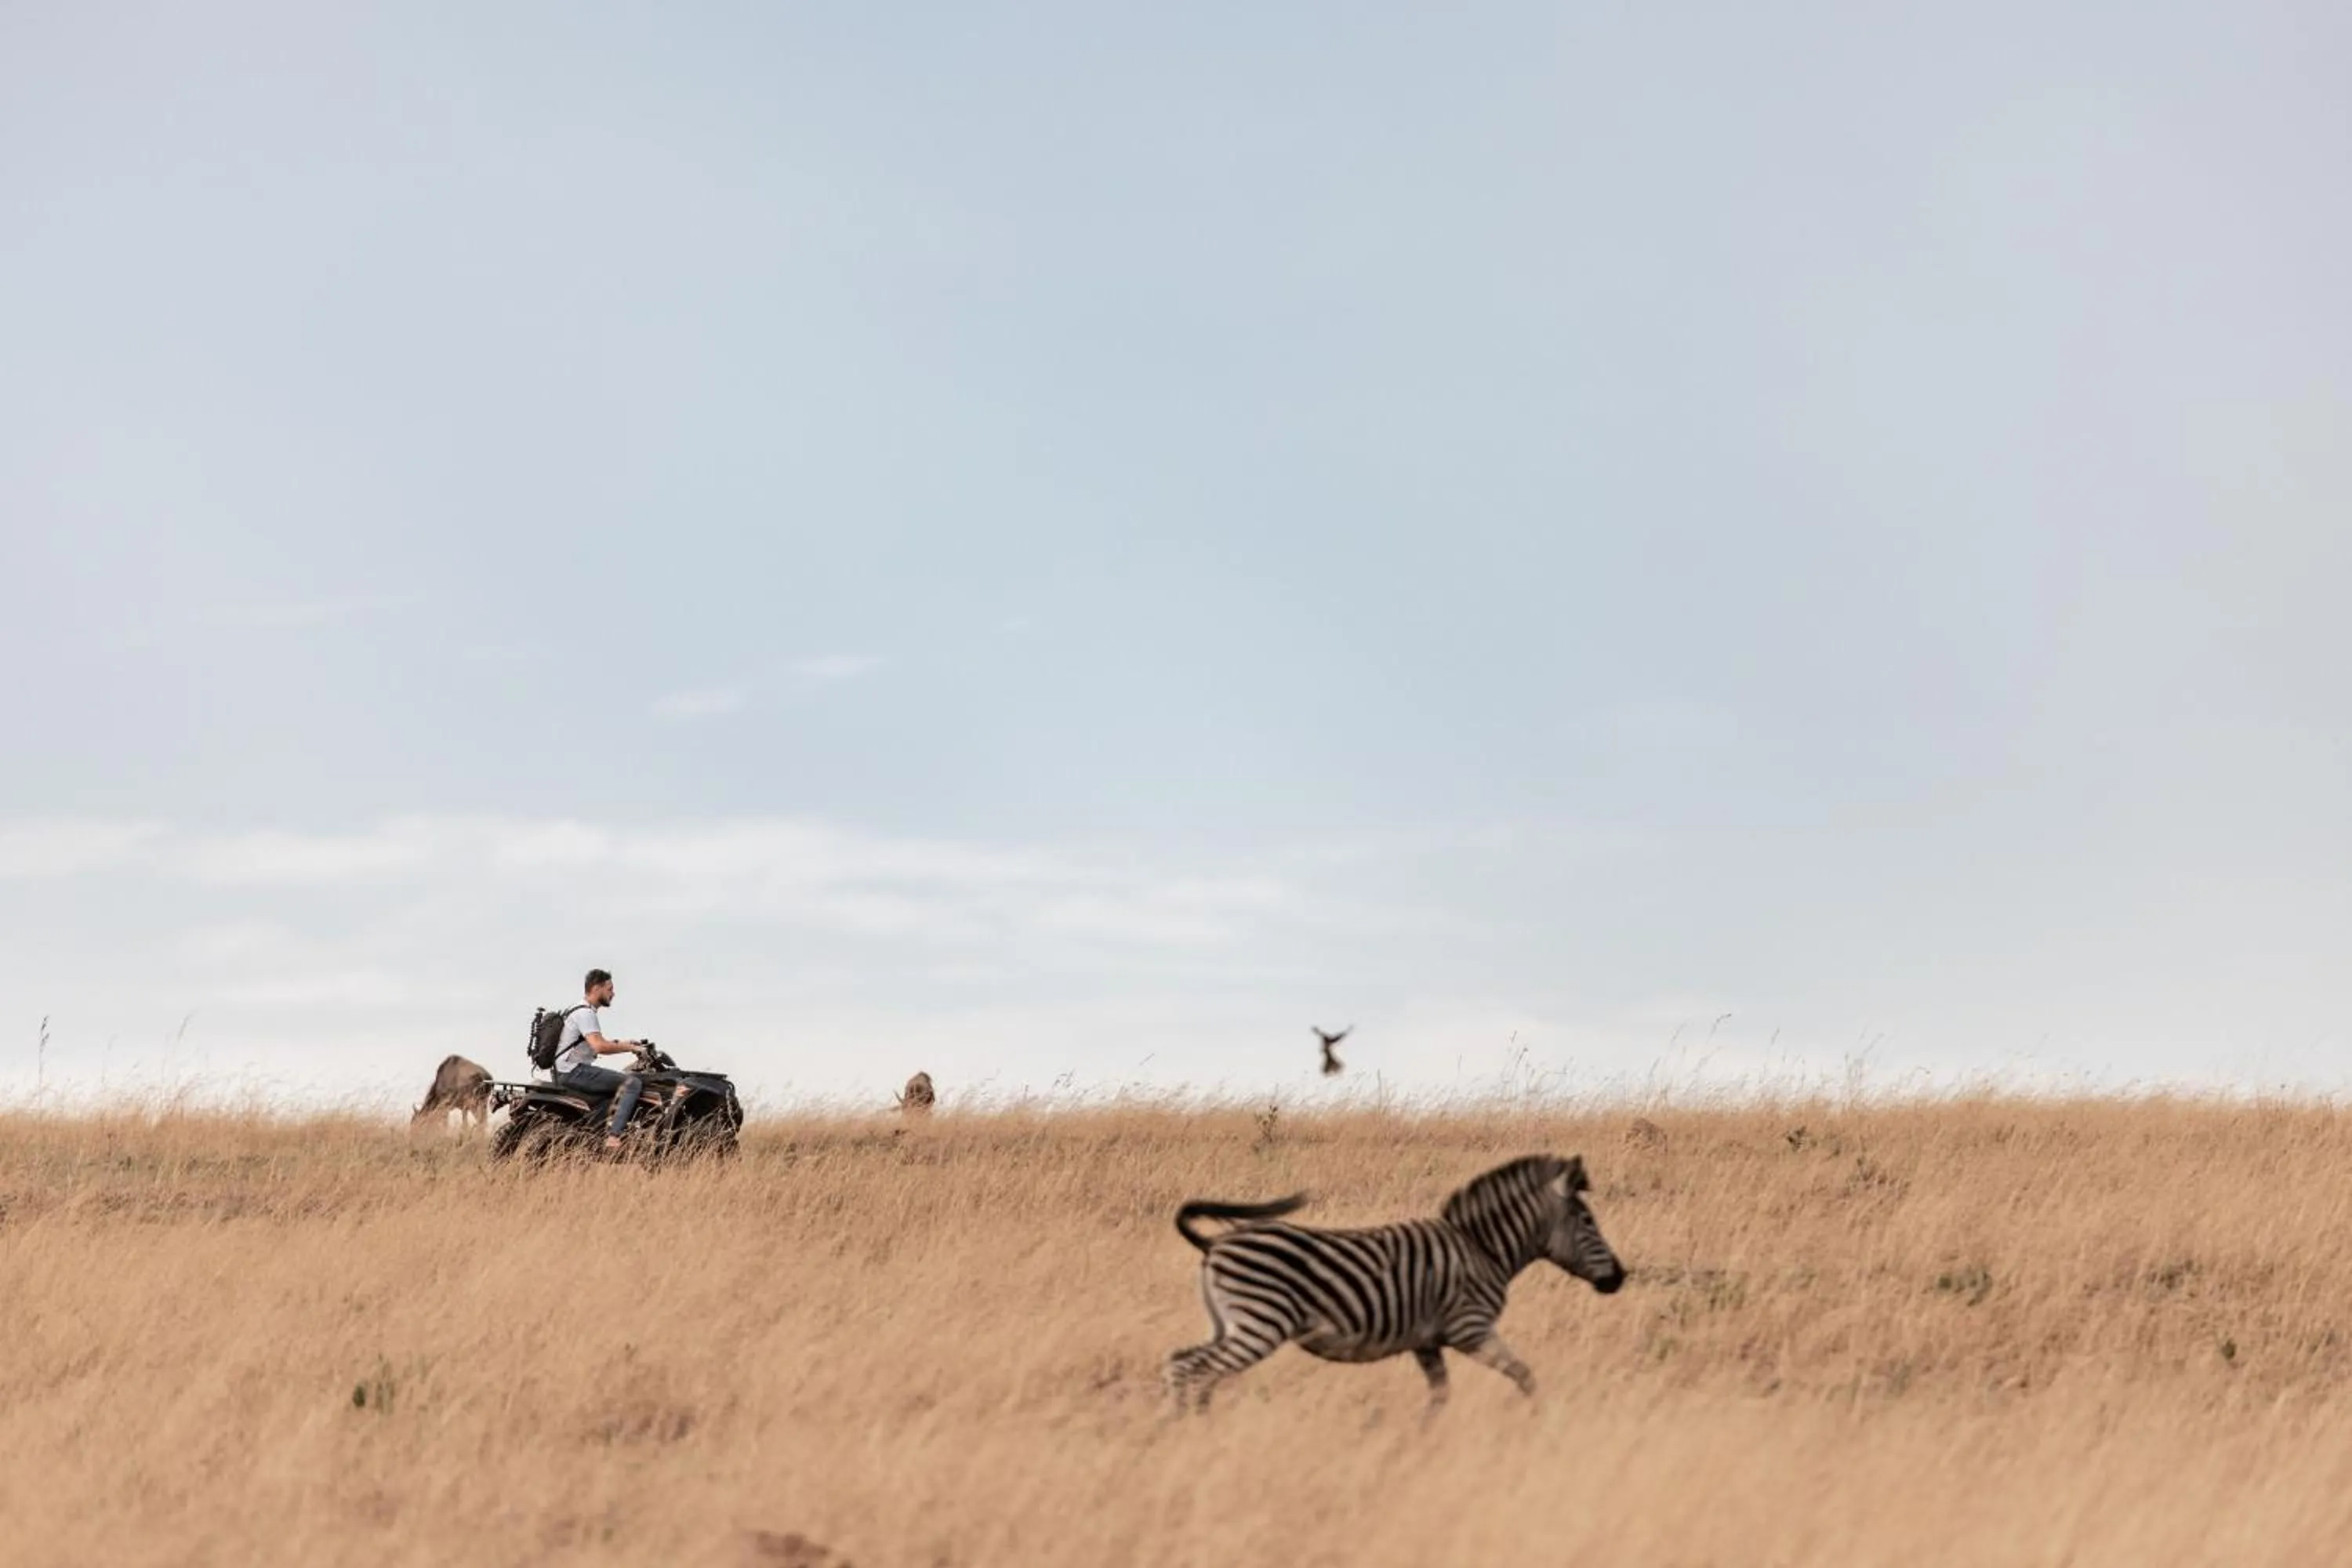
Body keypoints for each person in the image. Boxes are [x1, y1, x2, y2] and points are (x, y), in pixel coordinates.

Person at [552, 968, 648, 1155]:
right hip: (572, 1072)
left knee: (608, 1098)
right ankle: (614, 1138)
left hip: (565, 1070)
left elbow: (597, 1042)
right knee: (632, 1083)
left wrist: (624, 1042)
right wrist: (630, 1049)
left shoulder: (580, 1010)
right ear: (597, 989)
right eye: (610, 989)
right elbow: (599, 1046)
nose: (614, 993)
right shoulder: (585, 1013)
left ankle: (592, 1140)